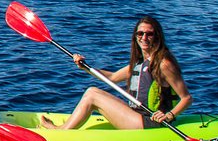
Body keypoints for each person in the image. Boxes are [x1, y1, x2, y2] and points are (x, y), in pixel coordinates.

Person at [46, 15, 192, 130]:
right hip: (136, 115)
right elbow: (113, 77)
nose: (144, 38)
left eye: (149, 34)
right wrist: (84, 67)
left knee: (92, 94)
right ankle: (64, 129)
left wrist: (169, 115)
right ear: (135, 37)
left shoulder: (163, 63)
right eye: (140, 33)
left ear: (157, 36)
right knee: (93, 92)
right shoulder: (140, 63)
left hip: (151, 121)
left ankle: (61, 132)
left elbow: (186, 98)